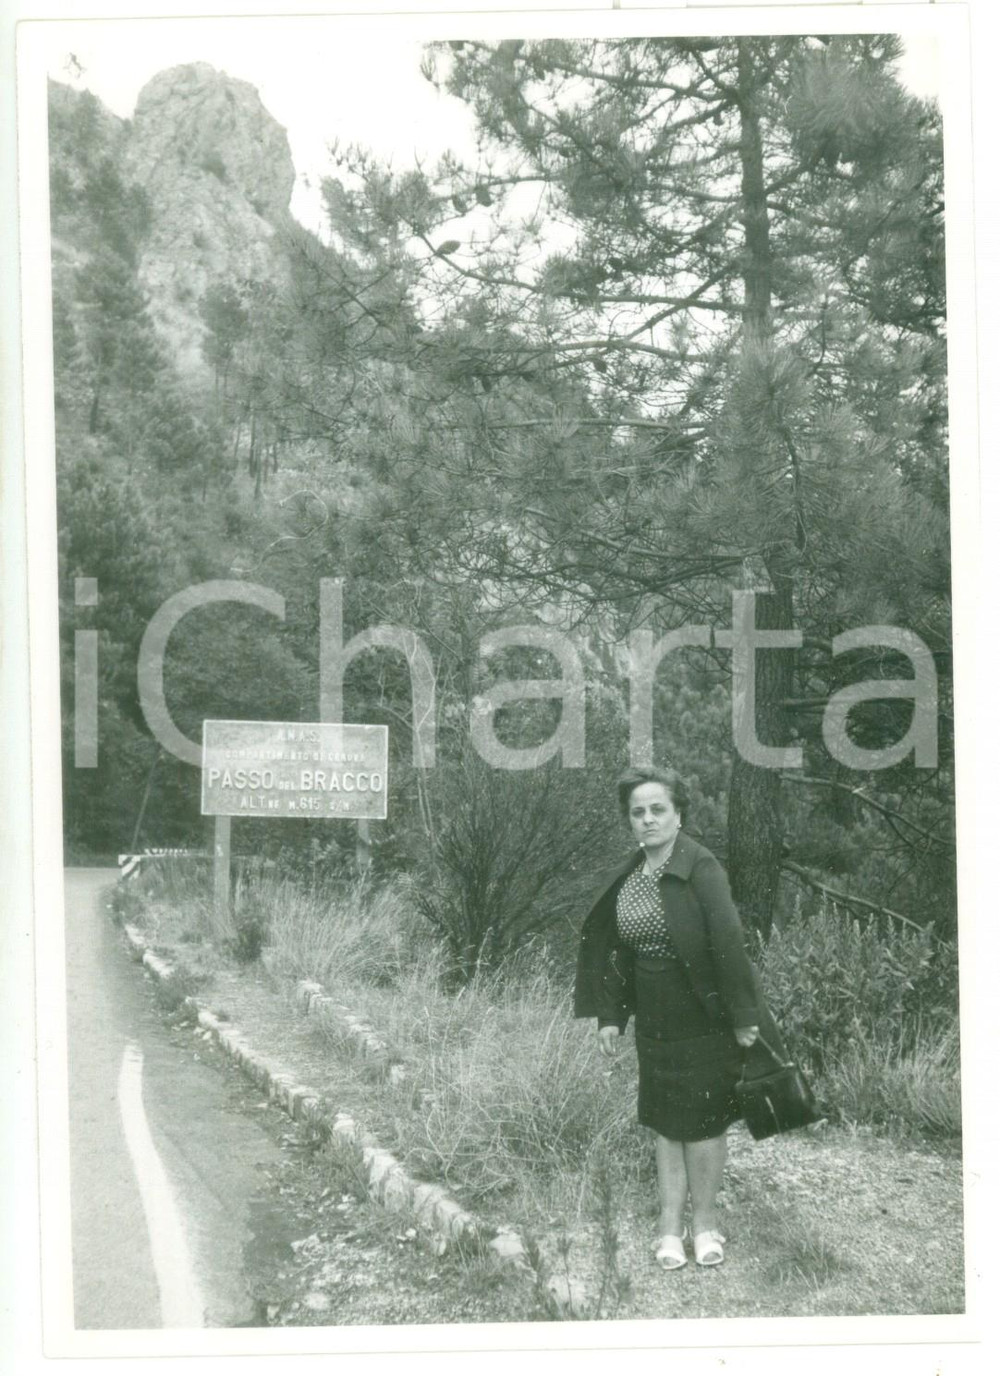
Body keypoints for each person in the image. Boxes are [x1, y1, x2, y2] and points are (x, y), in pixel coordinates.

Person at [574, 766, 772, 1270]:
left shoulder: (701, 867)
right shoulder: (632, 876)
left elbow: (729, 945)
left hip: (705, 1014)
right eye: (637, 812)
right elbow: (619, 953)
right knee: (665, 1123)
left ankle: (704, 1224)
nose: (647, 820)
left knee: (704, 1123)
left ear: (678, 813)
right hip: (656, 1018)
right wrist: (610, 1017)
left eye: (657, 809)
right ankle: (669, 1227)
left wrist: (744, 1015)